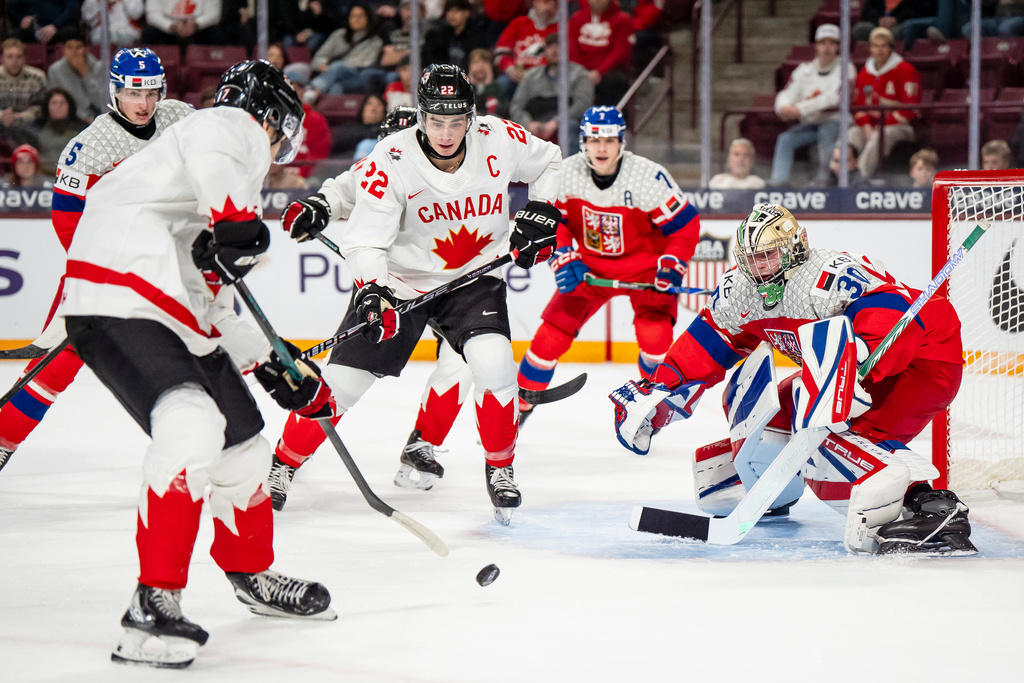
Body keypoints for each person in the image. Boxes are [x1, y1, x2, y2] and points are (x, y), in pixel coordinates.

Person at [61, 59, 335, 668]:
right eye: (282, 132)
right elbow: (225, 176)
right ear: (271, 117)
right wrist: (237, 222)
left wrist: (271, 366)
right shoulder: (227, 128)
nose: (279, 148)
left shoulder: (195, 195)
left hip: (164, 306)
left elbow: (212, 303)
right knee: (191, 427)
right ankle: (150, 603)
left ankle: (251, 573)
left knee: (244, 450)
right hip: (119, 296)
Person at [272, 64, 562, 524]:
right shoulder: (392, 157)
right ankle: (282, 464)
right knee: (342, 387)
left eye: (455, 121)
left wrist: (543, 209)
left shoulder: (500, 137)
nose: (446, 133)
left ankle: (501, 467)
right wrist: (373, 291)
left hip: (472, 278)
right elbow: (366, 240)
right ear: (420, 117)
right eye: (435, 121)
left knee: (493, 362)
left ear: (471, 117)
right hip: (401, 282)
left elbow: (549, 161)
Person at [610, 203, 975, 556]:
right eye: (750, 258)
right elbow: (709, 342)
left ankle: (933, 507)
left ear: (793, 248)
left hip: (921, 358)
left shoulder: (825, 275)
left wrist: (863, 349)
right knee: (780, 412)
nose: (758, 268)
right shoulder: (741, 288)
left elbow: (894, 308)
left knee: (834, 433)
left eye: (767, 255)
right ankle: (770, 489)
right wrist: (659, 395)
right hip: (857, 360)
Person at [0, 48, 194, 475]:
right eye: (131, 93)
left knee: (192, 358)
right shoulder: (91, 145)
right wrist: (107, 267)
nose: (143, 104)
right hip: (104, 273)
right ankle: (2, 439)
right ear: (114, 93)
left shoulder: (180, 118)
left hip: (171, 270)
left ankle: (208, 456)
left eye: (151, 92)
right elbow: (67, 219)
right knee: (55, 366)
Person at [517, 105, 699, 422]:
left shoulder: (647, 176)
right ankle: (517, 407)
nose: (602, 148)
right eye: (595, 140)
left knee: (656, 342)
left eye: (609, 140)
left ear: (621, 142)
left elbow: (684, 226)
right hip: (590, 270)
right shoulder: (564, 173)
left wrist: (671, 265)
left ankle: (648, 406)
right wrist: (562, 255)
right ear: (583, 141)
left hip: (645, 269)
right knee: (550, 337)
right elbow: (552, 223)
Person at [769, 24, 855, 187]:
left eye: (832, 42)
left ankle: (825, 179)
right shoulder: (804, 70)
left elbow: (835, 98)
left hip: (837, 123)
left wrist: (800, 109)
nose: (827, 47)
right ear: (816, 45)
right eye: (822, 42)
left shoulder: (846, 69)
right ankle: (778, 183)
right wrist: (783, 107)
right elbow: (787, 93)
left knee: (825, 132)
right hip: (811, 124)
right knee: (785, 139)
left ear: (838, 46)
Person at [849, 27, 921, 180]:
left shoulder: (905, 70)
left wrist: (881, 125)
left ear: (891, 48)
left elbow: (909, 110)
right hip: (873, 125)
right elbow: (858, 107)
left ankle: (859, 178)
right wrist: (867, 125)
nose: (879, 50)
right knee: (851, 134)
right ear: (869, 48)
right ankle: (837, 175)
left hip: (900, 127)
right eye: (875, 46)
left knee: (879, 137)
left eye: (883, 46)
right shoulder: (864, 73)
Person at [509, 32, 594, 153]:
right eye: (550, 47)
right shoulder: (531, 75)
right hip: (535, 120)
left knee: (570, 127)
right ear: (545, 51)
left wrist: (556, 123)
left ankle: (568, 169)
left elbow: (583, 104)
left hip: (566, 122)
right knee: (513, 129)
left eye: (559, 46)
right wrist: (528, 124)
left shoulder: (579, 74)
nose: (555, 51)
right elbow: (516, 106)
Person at [309, 3, 386, 96]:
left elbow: (365, 63)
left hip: (357, 77)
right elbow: (320, 55)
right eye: (353, 16)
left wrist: (335, 68)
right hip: (333, 74)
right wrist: (322, 65)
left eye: (360, 16)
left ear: (368, 18)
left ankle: (312, 90)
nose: (356, 19)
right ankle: (328, 109)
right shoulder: (339, 34)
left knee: (338, 65)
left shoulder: (375, 41)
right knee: (335, 87)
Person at [568, 0, 635, 107]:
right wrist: (580, 72)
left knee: (614, 82)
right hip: (580, 72)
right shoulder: (576, 19)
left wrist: (599, 72)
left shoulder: (623, 20)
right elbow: (571, 48)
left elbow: (620, 52)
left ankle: (606, 120)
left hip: (608, 73)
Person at [493, 0, 558, 95]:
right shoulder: (519, 23)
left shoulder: (561, 28)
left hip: (546, 78)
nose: (545, 6)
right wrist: (511, 69)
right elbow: (501, 52)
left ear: (555, 4)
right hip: (516, 76)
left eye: (548, 2)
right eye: (542, 2)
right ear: (534, 3)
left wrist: (533, 75)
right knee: (501, 83)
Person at [45, 32, 107, 122]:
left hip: (96, 118)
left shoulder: (100, 68)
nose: (74, 52)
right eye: (69, 47)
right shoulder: (55, 70)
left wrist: (86, 74)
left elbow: (102, 103)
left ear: (86, 49)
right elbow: (53, 104)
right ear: (63, 49)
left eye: (78, 47)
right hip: (68, 120)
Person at [0, 38, 48, 145]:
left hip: (27, 123)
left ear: (24, 58)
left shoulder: (37, 77)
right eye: (10, 56)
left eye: (19, 56)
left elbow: (40, 108)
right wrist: (3, 116)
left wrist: (18, 118)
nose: (14, 61)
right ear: (2, 58)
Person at [30, 87, 88, 173]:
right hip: (43, 173)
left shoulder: (83, 129)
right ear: (47, 106)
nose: (58, 106)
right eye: (54, 103)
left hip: (74, 173)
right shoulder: (35, 127)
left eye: (62, 103)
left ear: (69, 106)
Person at [421, 0, 489, 71]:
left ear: (467, 13)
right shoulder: (440, 35)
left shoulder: (476, 35)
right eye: (449, 11)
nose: (451, 15)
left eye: (456, 11)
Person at [142, 0, 226, 46]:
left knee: (215, 33)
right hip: (169, 27)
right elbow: (152, 14)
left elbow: (214, 14)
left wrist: (195, 25)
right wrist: (172, 26)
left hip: (198, 28)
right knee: (150, 33)